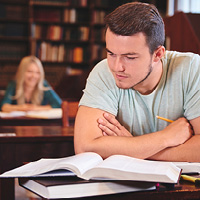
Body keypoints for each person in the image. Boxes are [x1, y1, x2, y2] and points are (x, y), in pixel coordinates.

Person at [74, 2, 200, 162]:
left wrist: (132, 146)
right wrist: (164, 139)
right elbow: (85, 148)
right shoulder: (104, 71)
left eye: (130, 57)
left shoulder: (191, 68)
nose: (117, 67)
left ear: (158, 54)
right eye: (111, 53)